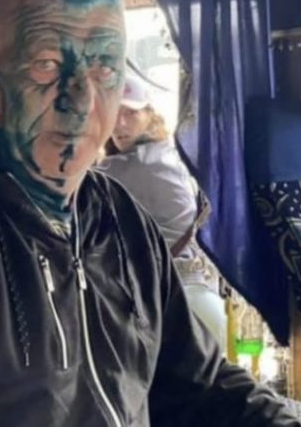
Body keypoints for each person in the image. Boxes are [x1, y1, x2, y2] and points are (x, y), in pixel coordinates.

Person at [0, 0, 301, 425]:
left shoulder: (121, 218)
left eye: (104, 69)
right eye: (47, 65)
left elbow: (201, 387)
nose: (80, 99)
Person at [97, 75, 226, 348]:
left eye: (131, 113)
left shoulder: (134, 166)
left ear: (149, 115)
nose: (120, 124)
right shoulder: (172, 153)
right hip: (203, 295)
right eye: (114, 113)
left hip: (172, 303)